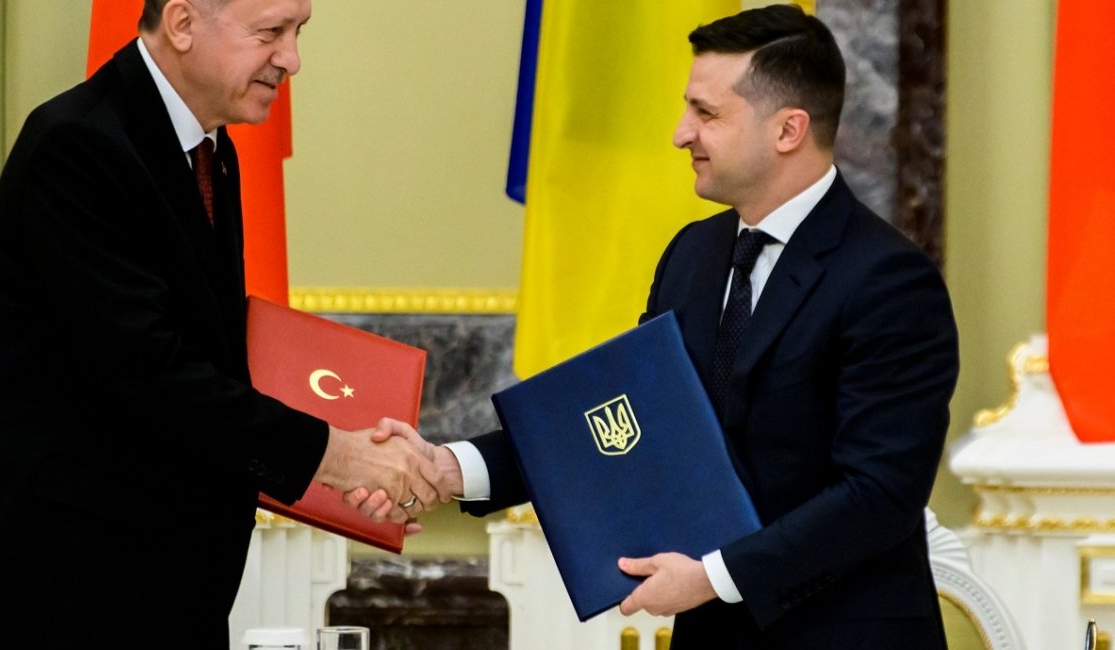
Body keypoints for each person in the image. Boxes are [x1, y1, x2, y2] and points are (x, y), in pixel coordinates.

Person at [354, 5, 957, 648]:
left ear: (788, 129)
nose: (680, 133)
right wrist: (450, 467)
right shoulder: (692, 257)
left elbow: (877, 495)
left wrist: (714, 576)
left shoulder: (890, 281)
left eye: (707, 113)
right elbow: (621, 419)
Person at [0, 1, 446, 648]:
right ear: (182, 23)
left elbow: (206, 353)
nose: (292, 59)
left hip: (149, 591)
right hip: (46, 597)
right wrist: (336, 456)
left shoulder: (214, 152)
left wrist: (355, 458)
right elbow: (149, 373)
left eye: (299, 33)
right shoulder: (79, 144)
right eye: (271, 32)